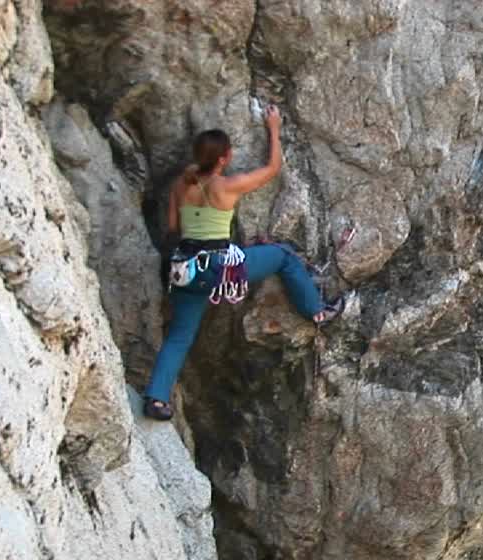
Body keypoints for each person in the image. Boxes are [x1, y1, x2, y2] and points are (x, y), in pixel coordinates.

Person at [142, 105, 342, 421]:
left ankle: (155, 399)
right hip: (219, 269)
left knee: (179, 337)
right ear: (223, 159)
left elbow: (173, 229)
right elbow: (272, 168)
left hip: (185, 271)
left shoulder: (182, 184)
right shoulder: (226, 186)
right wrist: (273, 128)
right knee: (282, 256)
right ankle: (316, 310)